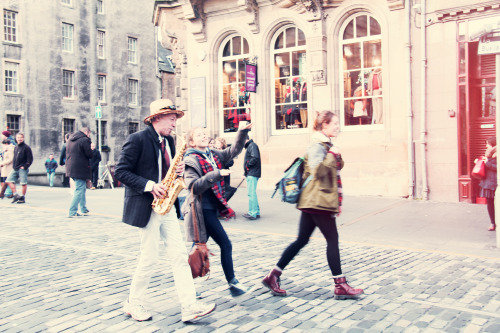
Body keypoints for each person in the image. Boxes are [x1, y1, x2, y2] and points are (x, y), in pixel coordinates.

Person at [114, 99, 215, 323]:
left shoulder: (169, 141)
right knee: (149, 256)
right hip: (147, 205)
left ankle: (189, 306)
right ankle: (133, 301)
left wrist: (178, 170)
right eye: (171, 119)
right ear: (157, 118)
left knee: (179, 255)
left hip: (166, 205)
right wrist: (150, 185)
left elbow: (168, 171)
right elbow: (121, 171)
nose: (174, 125)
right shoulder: (137, 139)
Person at [262, 110, 364, 300]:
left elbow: (335, 168)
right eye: (334, 123)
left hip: (315, 201)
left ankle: (273, 276)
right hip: (318, 201)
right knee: (332, 240)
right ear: (324, 125)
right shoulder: (317, 145)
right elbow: (319, 172)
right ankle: (340, 285)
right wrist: (333, 154)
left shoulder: (326, 144)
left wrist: (335, 154)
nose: (338, 126)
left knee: (301, 240)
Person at [183, 123, 254, 297]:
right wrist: (215, 175)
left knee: (197, 249)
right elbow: (193, 186)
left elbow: (234, 151)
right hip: (201, 210)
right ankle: (233, 283)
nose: (204, 136)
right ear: (192, 142)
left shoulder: (213, 155)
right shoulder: (190, 160)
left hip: (212, 208)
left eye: (205, 133)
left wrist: (242, 131)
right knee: (224, 244)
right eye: (199, 135)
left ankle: (188, 287)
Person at [66, 128, 92, 217]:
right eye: (89, 134)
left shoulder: (70, 139)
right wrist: (91, 148)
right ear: (87, 132)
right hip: (80, 167)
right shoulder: (84, 140)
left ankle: (84, 209)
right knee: (79, 189)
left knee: (81, 188)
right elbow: (89, 154)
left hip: (70, 167)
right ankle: (72, 211)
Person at [0, 132, 33, 203]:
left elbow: (30, 159)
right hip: (15, 168)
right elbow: (15, 158)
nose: (19, 139)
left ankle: (22, 198)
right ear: (16, 138)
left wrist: (25, 166)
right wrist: (14, 166)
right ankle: (16, 195)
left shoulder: (26, 147)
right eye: (18, 137)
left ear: (23, 138)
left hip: (22, 168)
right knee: (8, 181)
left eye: (21, 137)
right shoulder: (16, 147)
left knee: (23, 183)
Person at [478, 136, 497, 231]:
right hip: (487, 183)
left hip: (495, 183)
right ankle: (492, 223)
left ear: (492, 144)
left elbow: (497, 167)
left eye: (487, 144)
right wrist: (479, 162)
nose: (486, 146)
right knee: (490, 204)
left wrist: (487, 163)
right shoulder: (488, 154)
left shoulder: (497, 154)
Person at [242, 134, 261, 220]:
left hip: (252, 173)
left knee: (251, 193)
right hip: (252, 172)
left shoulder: (252, 145)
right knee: (253, 193)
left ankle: (252, 213)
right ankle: (256, 212)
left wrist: (247, 166)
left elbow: (255, 158)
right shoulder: (251, 145)